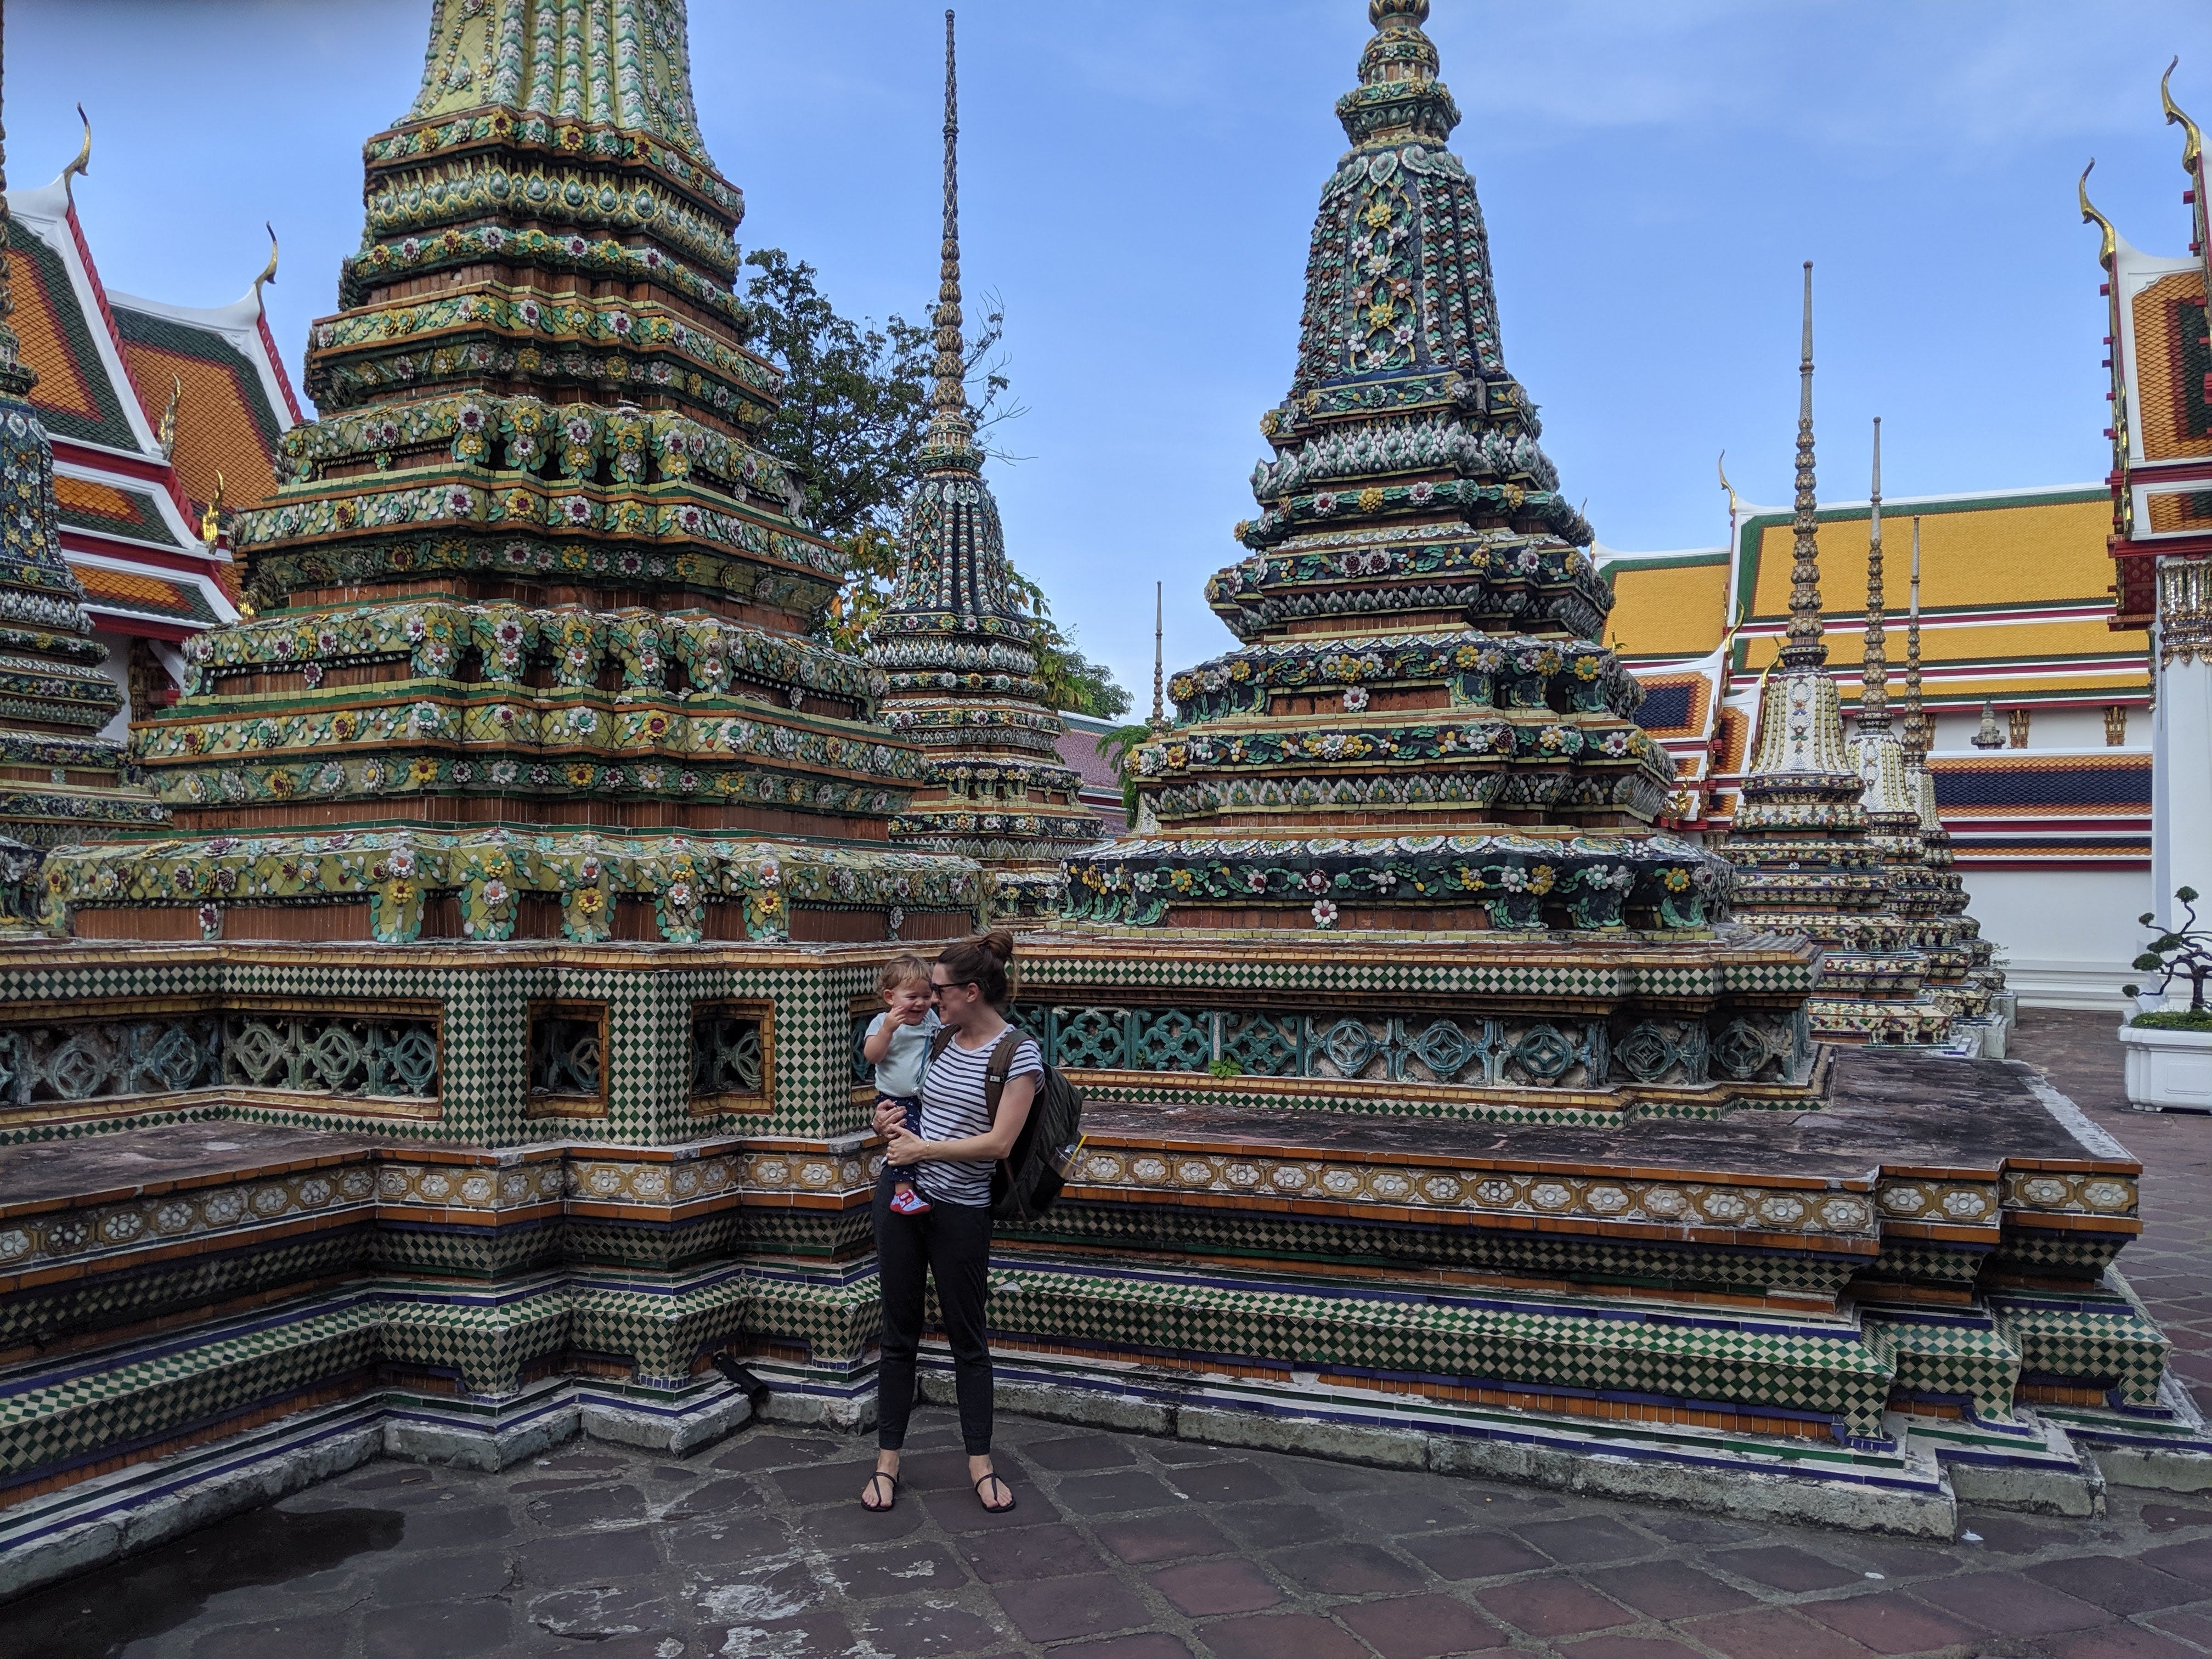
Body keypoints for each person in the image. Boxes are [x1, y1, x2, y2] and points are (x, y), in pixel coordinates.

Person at [861, 929, 1037, 1516]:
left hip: (962, 1208)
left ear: (972, 991)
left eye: (939, 990)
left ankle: (980, 1462)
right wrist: (885, 1123)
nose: (931, 999)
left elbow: (999, 1143)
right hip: (902, 1197)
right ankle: (887, 1460)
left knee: (968, 1337)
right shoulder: (937, 1039)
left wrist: (924, 1151)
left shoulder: (1017, 1054)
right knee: (898, 1331)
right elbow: (907, 1100)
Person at [860, 955, 938, 1216]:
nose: (920, 1003)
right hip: (896, 1099)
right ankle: (903, 1193)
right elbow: (873, 1056)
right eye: (912, 997)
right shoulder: (882, 1023)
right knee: (906, 1139)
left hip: (924, 1098)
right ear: (890, 997)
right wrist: (887, 1031)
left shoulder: (931, 1020)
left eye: (926, 996)